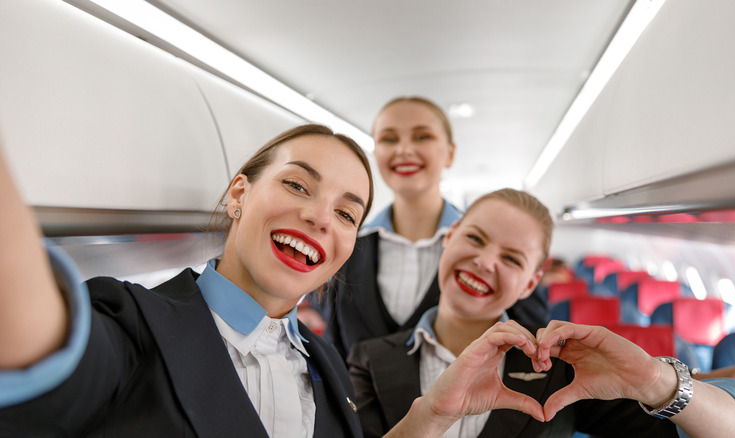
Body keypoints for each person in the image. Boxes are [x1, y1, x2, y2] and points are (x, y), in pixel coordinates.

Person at [0, 124, 543, 438]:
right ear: (238, 195)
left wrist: (435, 411)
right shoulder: (132, 323)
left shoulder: (326, 364)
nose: (320, 218)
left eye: (347, 214)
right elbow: (31, 341)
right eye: (298, 186)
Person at [348, 189, 735, 438]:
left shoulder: (560, 363)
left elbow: (702, 433)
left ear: (532, 283)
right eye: (475, 239)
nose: (485, 262)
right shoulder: (367, 358)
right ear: (449, 238)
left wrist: (664, 380)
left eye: (512, 259)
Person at [307, 96, 548, 360]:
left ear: (450, 153)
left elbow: (530, 344)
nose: (404, 150)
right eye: (389, 139)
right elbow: (336, 349)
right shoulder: (347, 245)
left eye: (422, 137)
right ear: (376, 153)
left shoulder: (491, 255)